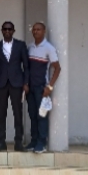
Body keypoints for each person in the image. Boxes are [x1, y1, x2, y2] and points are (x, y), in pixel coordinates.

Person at [0, 21, 30, 152]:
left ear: (13, 31)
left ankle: (18, 142)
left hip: (17, 83)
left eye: (10, 29)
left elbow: (26, 66)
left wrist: (26, 82)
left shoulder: (20, 45)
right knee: (1, 113)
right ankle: (1, 142)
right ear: (2, 31)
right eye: (5, 29)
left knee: (18, 113)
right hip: (1, 83)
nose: (7, 31)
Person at [26, 22, 61, 154]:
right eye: (34, 29)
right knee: (32, 115)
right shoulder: (30, 47)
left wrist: (49, 87)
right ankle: (34, 141)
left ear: (44, 31)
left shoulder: (49, 48)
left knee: (42, 115)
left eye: (39, 29)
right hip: (30, 87)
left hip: (41, 88)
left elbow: (57, 68)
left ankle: (41, 143)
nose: (36, 31)